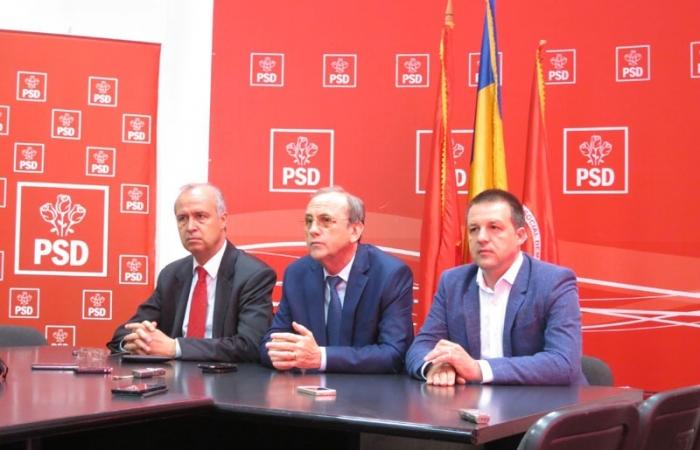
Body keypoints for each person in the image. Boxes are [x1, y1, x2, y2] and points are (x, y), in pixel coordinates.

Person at [406, 189, 585, 386]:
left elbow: (563, 362)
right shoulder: (453, 282)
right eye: (474, 229)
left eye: (494, 227)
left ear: (520, 236)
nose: (481, 237)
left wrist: (478, 369)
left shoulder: (553, 282)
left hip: (545, 402)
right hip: (472, 402)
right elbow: (421, 347)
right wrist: (436, 366)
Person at [107, 183, 276, 362]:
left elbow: (250, 345)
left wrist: (176, 348)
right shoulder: (171, 275)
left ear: (223, 220)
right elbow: (124, 333)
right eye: (182, 218)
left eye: (200, 216)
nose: (190, 227)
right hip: (173, 377)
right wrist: (136, 342)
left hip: (228, 377)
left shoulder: (253, 275)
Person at [260, 186, 414, 373]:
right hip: (308, 389)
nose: (313, 230)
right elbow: (272, 341)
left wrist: (321, 358)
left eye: (326, 221)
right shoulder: (297, 273)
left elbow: (394, 353)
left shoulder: (389, 274)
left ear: (355, 231)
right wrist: (281, 354)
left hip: (368, 389)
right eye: (308, 221)